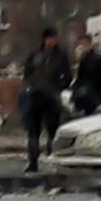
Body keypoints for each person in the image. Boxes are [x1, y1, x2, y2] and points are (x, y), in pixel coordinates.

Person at [22, 27, 71, 173]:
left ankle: (53, 162)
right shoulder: (35, 55)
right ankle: (33, 162)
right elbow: (27, 73)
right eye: (51, 38)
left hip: (52, 97)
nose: (53, 41)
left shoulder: (61, 55)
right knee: (33, 131)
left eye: (55, 38)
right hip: (36, 96)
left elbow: (67, 75)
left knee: (53, 131)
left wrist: (59, 88)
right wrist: (31, 85)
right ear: (45, 39)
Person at [71, 34, 101, 117]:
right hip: (86, 98)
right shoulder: (83, 61)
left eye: (83, 44)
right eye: (81, 44)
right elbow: (80, 79)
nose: (82, 47)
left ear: (89, 44)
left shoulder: (99, 60)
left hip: (95, 98)